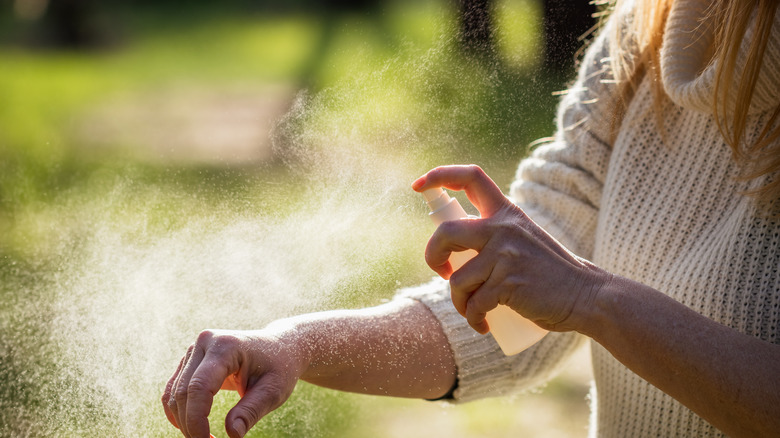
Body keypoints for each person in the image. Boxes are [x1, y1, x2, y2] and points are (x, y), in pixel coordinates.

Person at [162, 0, 780, 437]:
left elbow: (570, 293)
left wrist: (594, 298)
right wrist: (293, 345)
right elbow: (512, 323)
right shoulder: (647, 29)